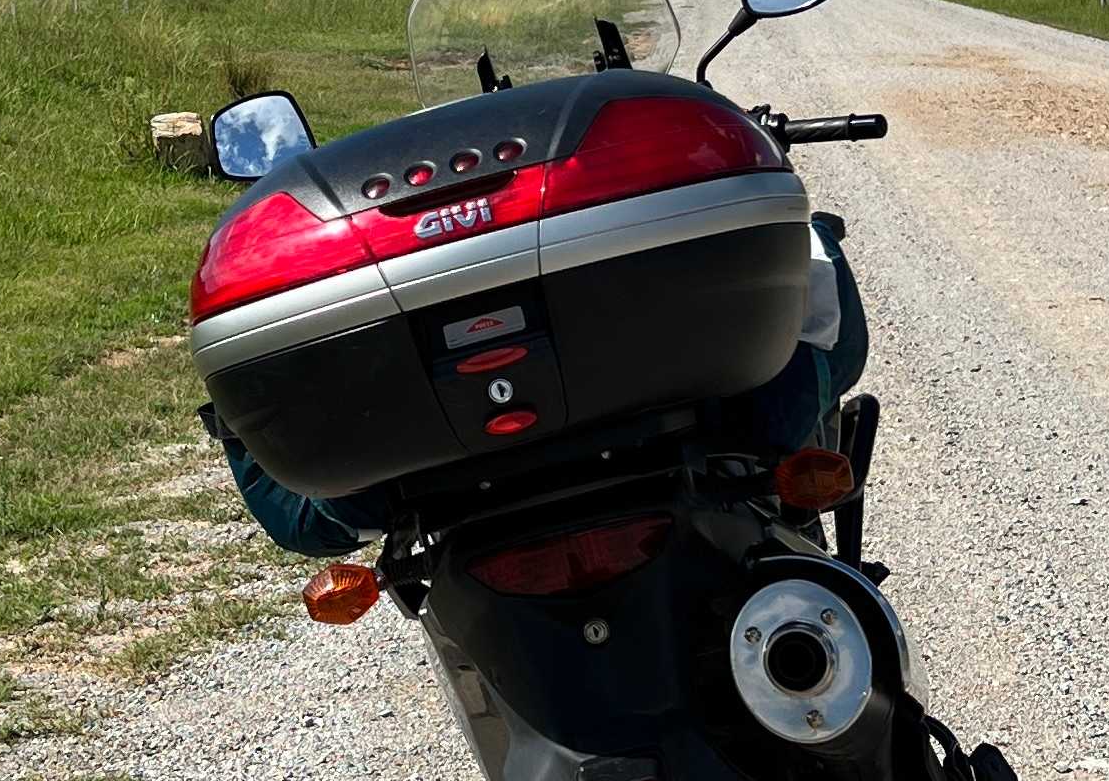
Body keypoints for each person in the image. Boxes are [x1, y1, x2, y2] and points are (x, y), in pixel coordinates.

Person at [212, 213, 867, 557]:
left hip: (425, 501)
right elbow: (827, 340)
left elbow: (308, 516)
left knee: (315, 514)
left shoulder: (363, 486)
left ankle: (227, 427)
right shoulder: (749, 403)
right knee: (809, 350)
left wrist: (238, 425)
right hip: (714, 447)